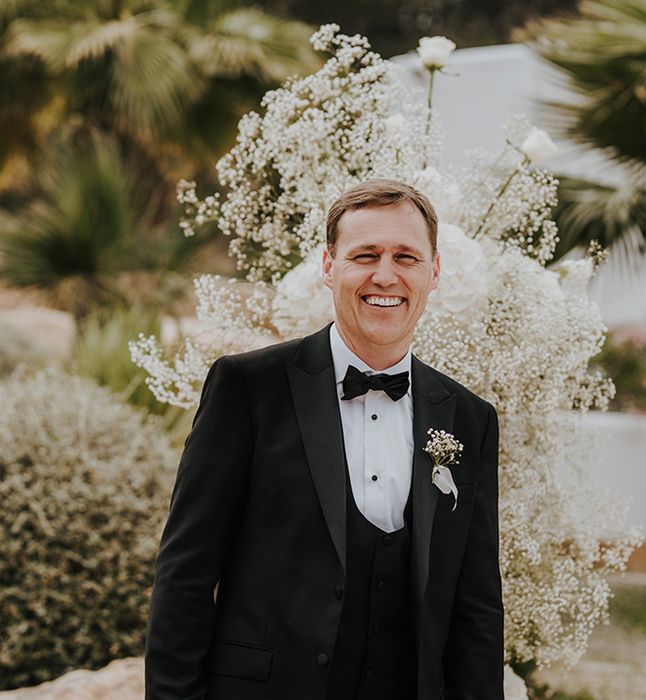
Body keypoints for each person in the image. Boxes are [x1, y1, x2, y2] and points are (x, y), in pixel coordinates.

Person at [144, 179, 503, 700]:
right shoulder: (248, 388)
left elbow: (477, 609)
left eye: (406, 256)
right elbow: (186, 574)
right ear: (329, 266)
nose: (386, 275)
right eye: (365, 255)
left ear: (434, 271)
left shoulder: (471, 419)